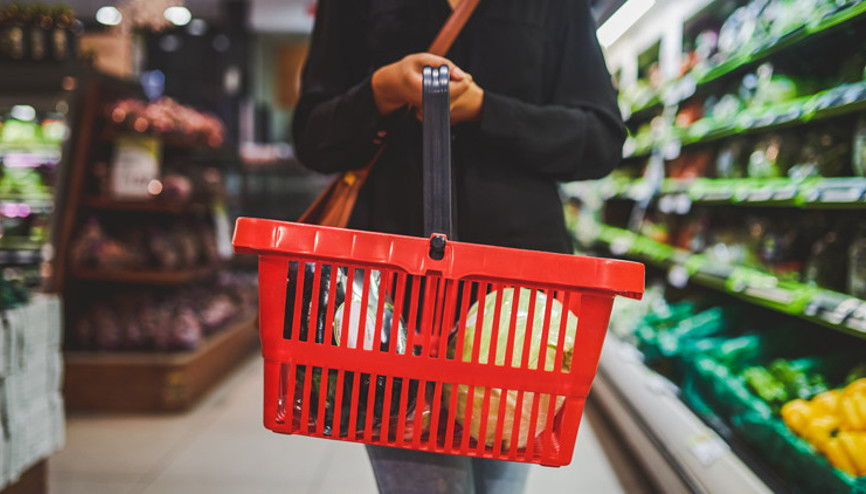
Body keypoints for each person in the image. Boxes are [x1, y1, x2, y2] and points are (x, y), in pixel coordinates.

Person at [291, 0, 625, 492]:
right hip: (392, 303)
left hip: (519, 310)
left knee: (499, 486)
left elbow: (601, 139)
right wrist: (379, 91)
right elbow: (311, 137)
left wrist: (488, 110)